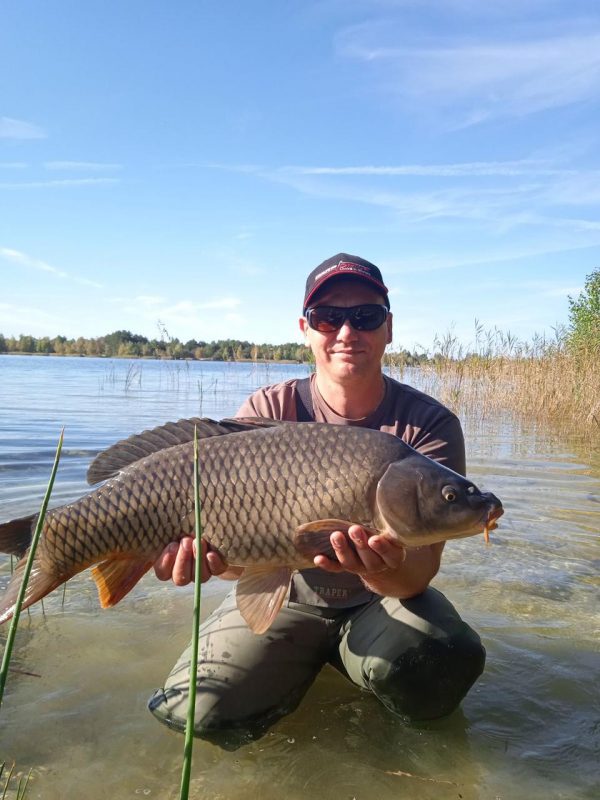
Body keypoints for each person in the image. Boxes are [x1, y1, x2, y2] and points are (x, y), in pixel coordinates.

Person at [148, 253, 485, 748]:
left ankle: (383, 718)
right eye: (328, 317)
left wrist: (376, 568)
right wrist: (207, 562)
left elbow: (418, 575)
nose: (347, 331)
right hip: (287, 599)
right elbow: (242, 568)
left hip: (381, 603)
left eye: (366, 316)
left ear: (388, 328)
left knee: (442, 663)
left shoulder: (428, 427)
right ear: (306, 329)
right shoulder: (268, 410)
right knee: (196, 711)